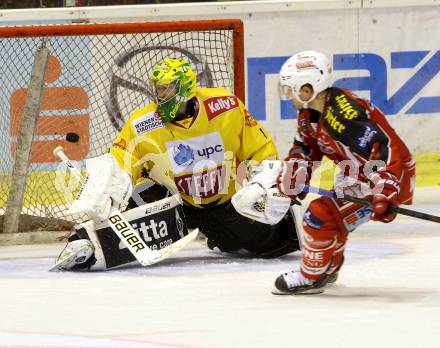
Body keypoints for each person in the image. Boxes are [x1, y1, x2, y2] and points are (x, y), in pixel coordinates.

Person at [54, 58, 300, 271]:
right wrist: (109, 189)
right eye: (158, 89)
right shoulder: (143, 123)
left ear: (185, 89)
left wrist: (266, 184)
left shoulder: (225, 107)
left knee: (266, 244)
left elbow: (260, 149)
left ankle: (281, 225)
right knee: (139, 204)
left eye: (167, 90)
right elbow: (121, 163)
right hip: (173, 204)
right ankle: (84, 244)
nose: (160, 96)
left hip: (225, 202)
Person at [269, 50, 415, 294]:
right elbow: (305, 147)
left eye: (290, 89)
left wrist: (384, 191)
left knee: (319, 216)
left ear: (308, 89)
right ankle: (327, 267)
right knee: (332, 218)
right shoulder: (310, 113)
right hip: (358, 173)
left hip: (386, 175)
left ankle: (312, 276)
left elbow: (381, 148)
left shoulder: (342, 116)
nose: (287, 96)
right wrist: (294, 176)